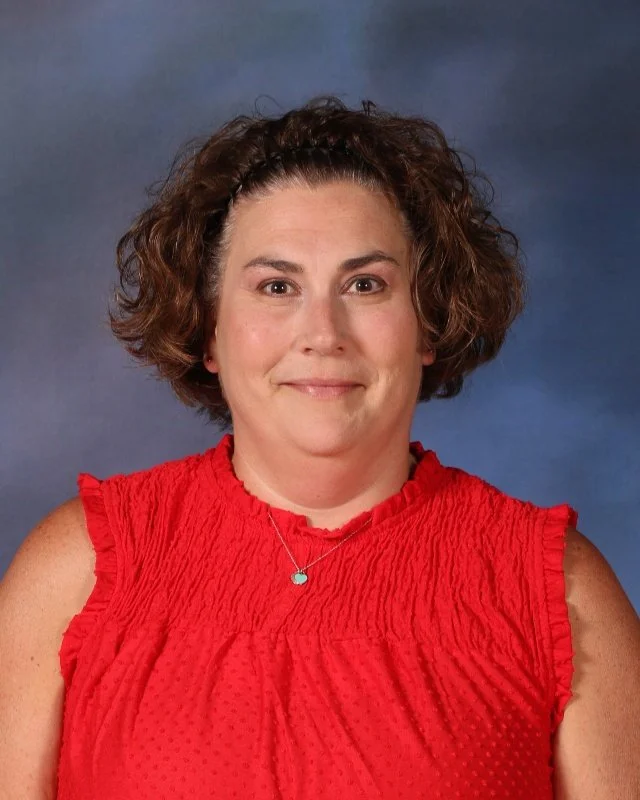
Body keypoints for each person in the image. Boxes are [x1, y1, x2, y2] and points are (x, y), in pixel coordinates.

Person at [1, 96, 638, 800]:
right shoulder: (76, 570)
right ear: (208, 330)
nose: (323, 333)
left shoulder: (557, 590)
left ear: (428, 323)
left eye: (365, 285)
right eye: (277, 286)